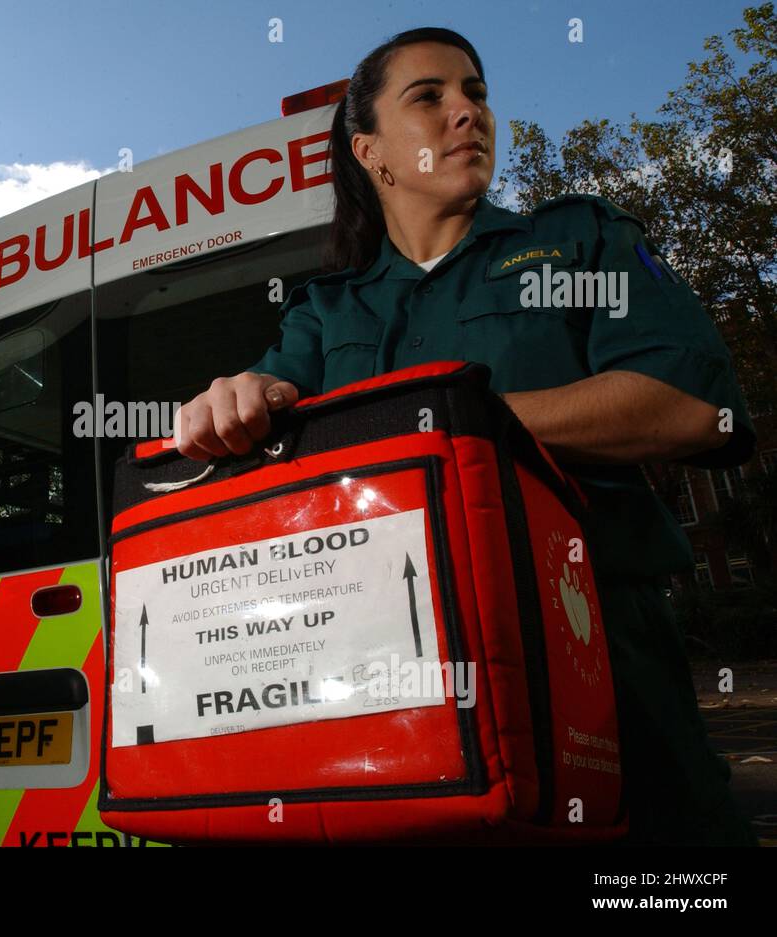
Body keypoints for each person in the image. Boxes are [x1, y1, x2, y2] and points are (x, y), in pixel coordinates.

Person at [173, 27, 758, 846]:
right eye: (430, 96)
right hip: (386, 672)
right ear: (369, 149)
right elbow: (271, 410)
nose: (467, 112)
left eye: (476, 93)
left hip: (598, 656)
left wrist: (458, 427)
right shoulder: (326, 308)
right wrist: (238, 400)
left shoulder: (579, 239)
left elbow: (693, 407)